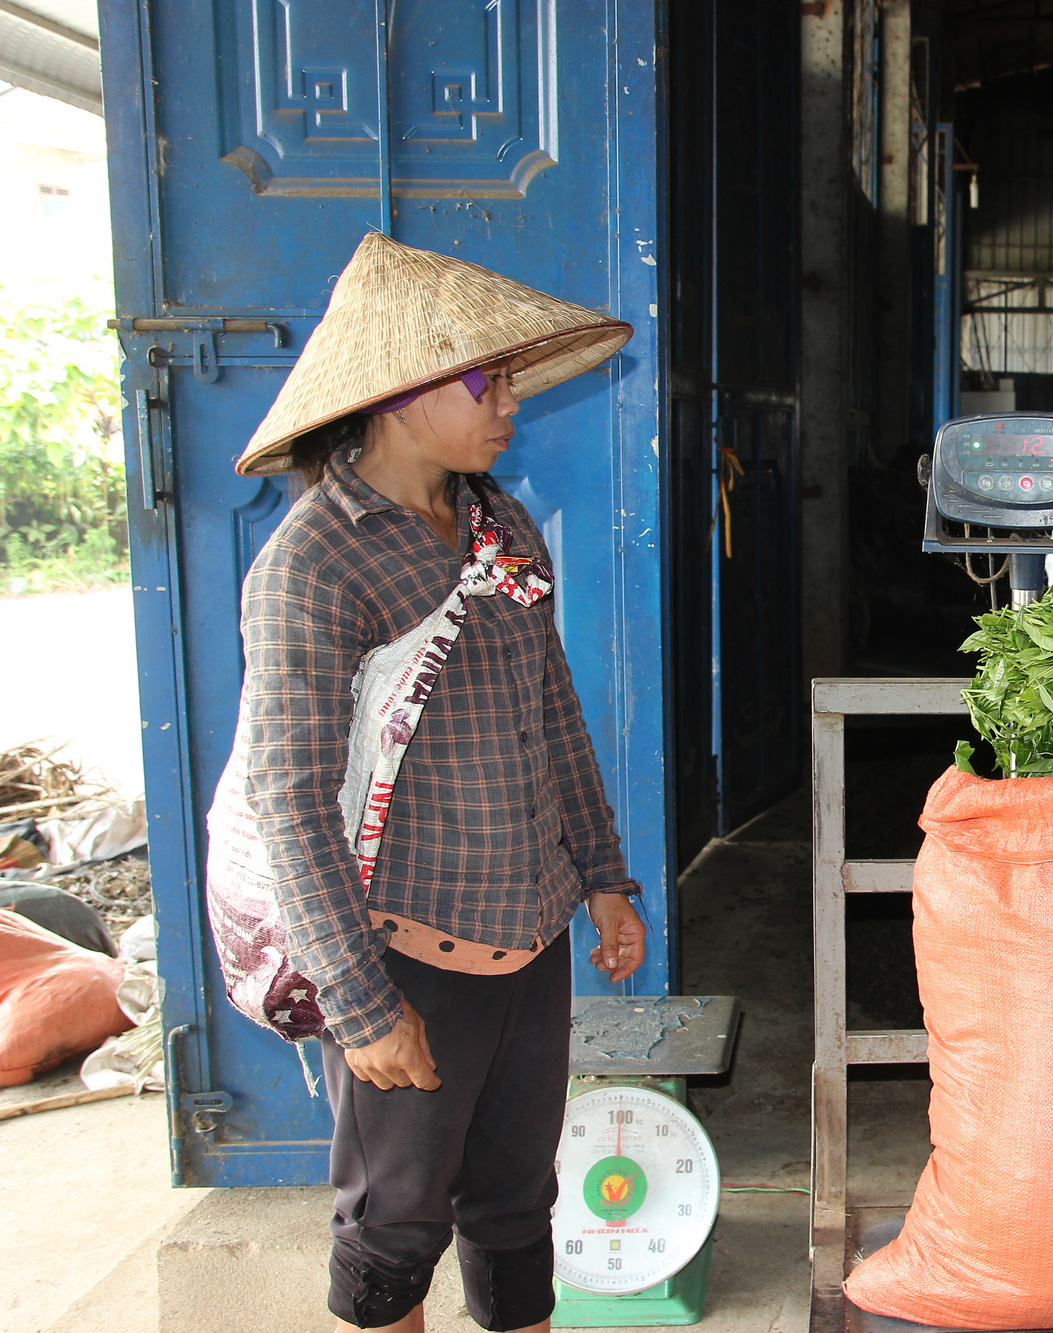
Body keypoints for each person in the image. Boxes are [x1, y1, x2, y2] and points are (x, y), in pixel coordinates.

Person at [234, 233, 644, 1333]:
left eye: (510, 377)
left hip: (530, 933)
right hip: (405, 948)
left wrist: (604, 876)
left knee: (517, 1202)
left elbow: (552, 711)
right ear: (402, 395)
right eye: (486, 378)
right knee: (393, 1224)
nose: (508, 401)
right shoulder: (315, 562)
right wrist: (360, 1006)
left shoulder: (494, 523)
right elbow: (291, 796)